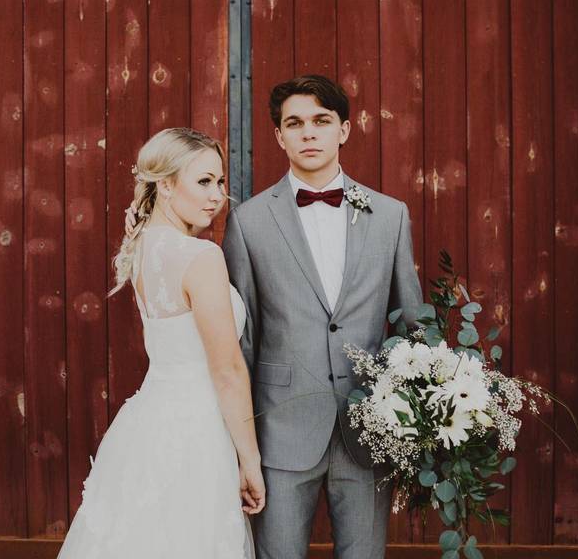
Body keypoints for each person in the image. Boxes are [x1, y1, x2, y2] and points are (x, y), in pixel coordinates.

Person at [221, 75, 423, 559]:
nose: (308, 133)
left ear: (344, 130)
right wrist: (240, 443)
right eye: (295, 124)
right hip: (281, 430)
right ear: (279, 136)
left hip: (368, 431)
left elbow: (412, 326)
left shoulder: (391, 216)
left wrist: (410, 419)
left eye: (321, 121)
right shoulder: (247, 222)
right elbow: (241, 344)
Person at [58, 127, 264, 558]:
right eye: (204, 181)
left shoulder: (141, 246)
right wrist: (250, 461)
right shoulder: (201, 257)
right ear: (167, 185)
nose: (217, 195)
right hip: (198, 431)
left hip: (146, 425)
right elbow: (226, 370)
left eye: (220, 181)